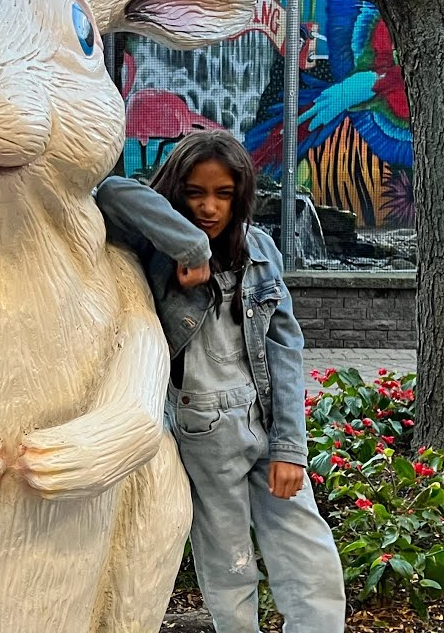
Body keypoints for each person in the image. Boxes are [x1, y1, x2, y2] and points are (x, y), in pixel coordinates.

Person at [95, 130, 346, 633]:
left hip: (262, 417)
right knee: (229, 566)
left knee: (309, 559)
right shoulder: (154, 249)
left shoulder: (260, 249)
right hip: (202, 431)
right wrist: (188, 247)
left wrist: (290, 448)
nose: (209, 207)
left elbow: (286, 352)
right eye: (195, 192)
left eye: (224, 194)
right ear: (175, 192)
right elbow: (109, 192)